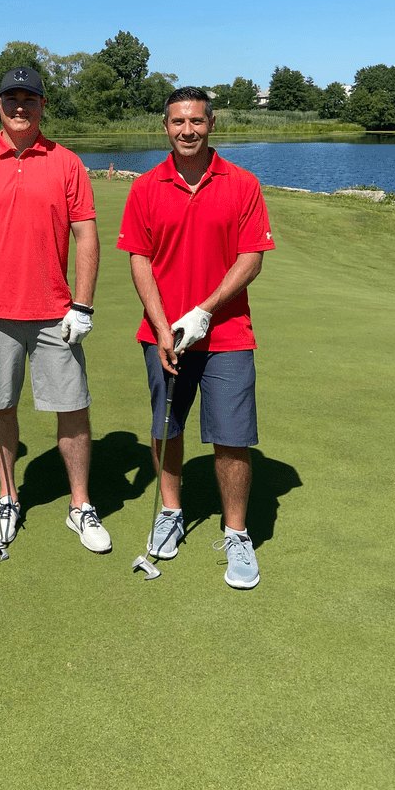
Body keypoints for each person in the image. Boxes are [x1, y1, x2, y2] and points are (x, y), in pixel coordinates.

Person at [0, 66, 110, 554]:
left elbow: (86, 235)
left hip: (56, 314)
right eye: (12, 99)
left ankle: (80, 504)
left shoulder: (67, 163)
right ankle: (7, 497)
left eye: (30, 99)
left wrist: (83, 305)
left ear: (42, 105)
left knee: (73, 408)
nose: (21, 107)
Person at [117, 86, 275, 589]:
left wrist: (205, 311)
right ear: (166, 126)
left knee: (232, 436)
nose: (188, 130)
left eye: (197, 121)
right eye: (178, 122)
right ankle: (171, 511)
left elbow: (251, 258)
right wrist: (162, 326)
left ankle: (236, 533)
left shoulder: (242, 183)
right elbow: (139, 260)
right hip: (163, 335)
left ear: (212, 124)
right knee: (167, 427)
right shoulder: (146, 187)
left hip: (228, 333)